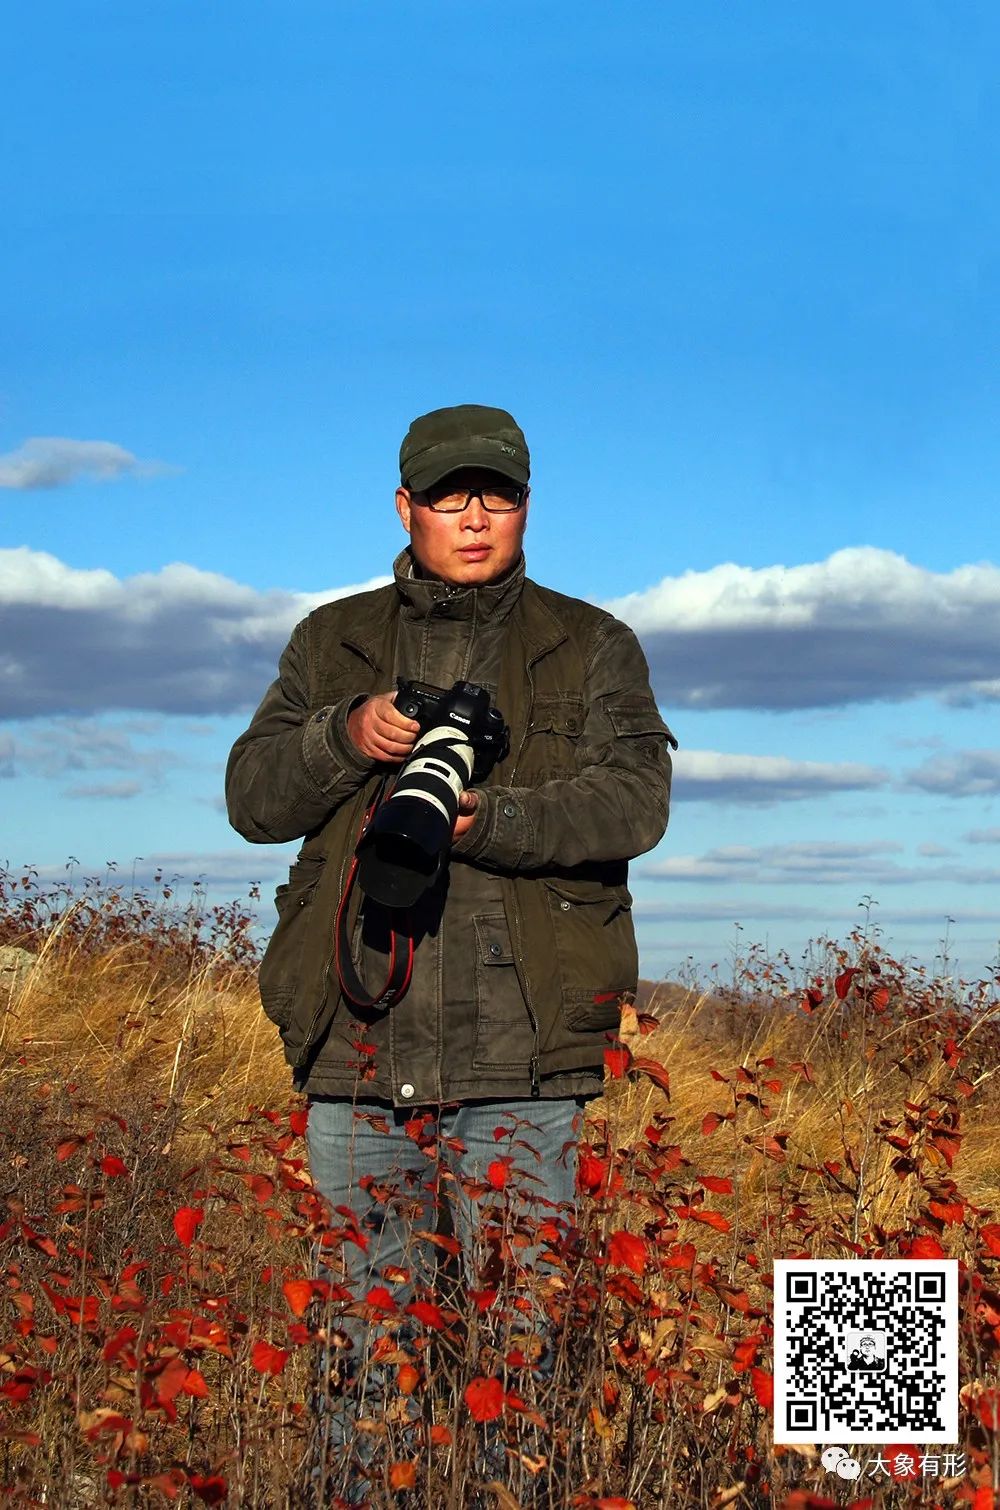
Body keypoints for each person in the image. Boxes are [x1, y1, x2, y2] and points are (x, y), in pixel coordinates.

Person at [225, 404, 676, 1502]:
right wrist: (345, 735)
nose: (474, 518)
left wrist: (495, 820)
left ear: (527, 505)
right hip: (357, 1041)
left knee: (517, 1360)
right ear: (405, 507)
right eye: (448, 495)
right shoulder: (331, 639)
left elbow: (634, 802)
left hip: (523, 1059)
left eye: (498, 494)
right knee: (359, 1358)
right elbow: (251, 798)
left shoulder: (591, 641)